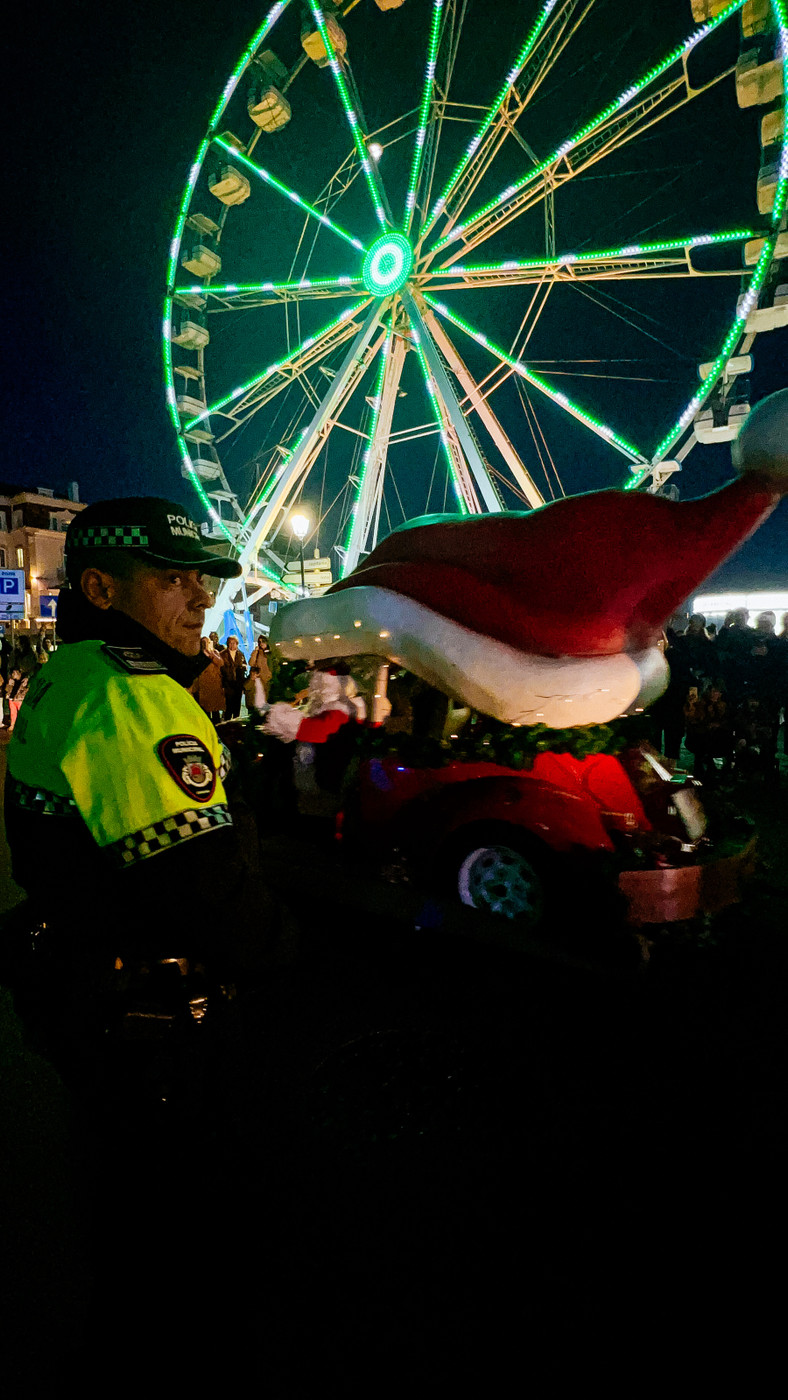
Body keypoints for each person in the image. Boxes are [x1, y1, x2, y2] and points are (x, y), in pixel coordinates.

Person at [3, 496, 276, 970]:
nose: (204, 597)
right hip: (154, 996)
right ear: (100, 589)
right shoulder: (128, 695)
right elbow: (210, 897)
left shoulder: (72, 668)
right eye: (173, 578)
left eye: (200, 577)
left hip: (75, 972)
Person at [192, 634, 225, 723]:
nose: (205, 644)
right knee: (204, 711)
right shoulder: (197, 654)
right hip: (202, 687)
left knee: (215, 711)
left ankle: (217, 729)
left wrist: (210, 654)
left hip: (214, 686)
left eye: (207, 642)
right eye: (203, 642)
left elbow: (220, 663)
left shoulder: (214, 652)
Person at [220, 635, 247, 720]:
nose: (232, 645)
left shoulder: (240, 654)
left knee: (237, 707)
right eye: (230, 643)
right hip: (228, 684)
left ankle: (236, 724)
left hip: (238, 684)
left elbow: (244, 668)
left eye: (233, 643)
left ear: (237, 644)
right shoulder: (223, 654)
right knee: (228, 706)